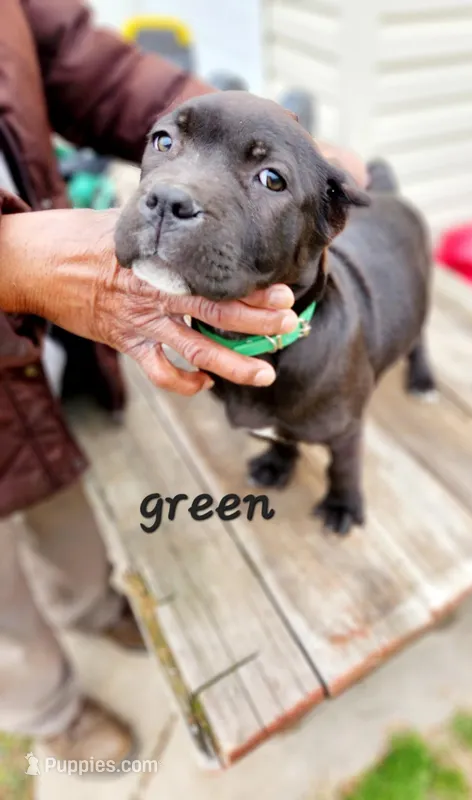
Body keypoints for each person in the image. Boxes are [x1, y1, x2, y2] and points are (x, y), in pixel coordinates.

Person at [0, 0, 366, 767]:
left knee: (52, 483)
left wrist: (260, 133)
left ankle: (91, 606)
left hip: (33, 363)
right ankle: (46, 708)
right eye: (166, 148)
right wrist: (11, 263)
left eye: (266, 177)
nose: (171, 191)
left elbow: (82, 61)